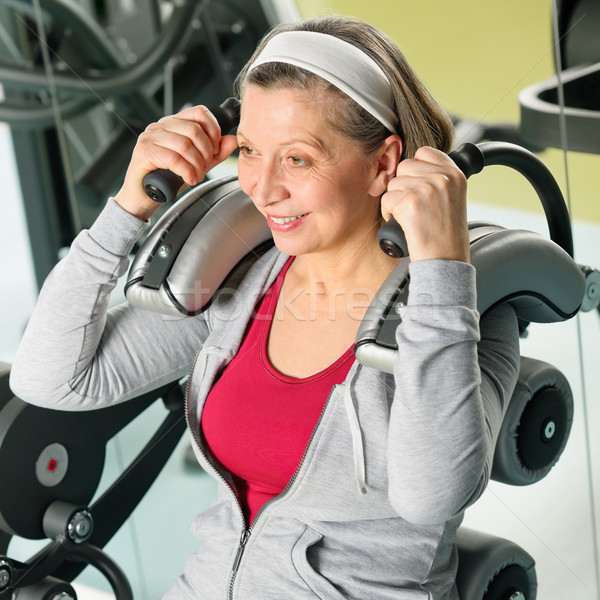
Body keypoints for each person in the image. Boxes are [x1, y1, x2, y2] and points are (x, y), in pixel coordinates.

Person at [10, 14, 519, 600]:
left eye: (298, 159)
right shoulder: (240, 281)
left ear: (384, 164)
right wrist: (127, 207)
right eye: (250, 150)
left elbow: (432, 494)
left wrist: (441, 272)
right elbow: (49, 378)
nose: (262, 187)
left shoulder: (470, 313)